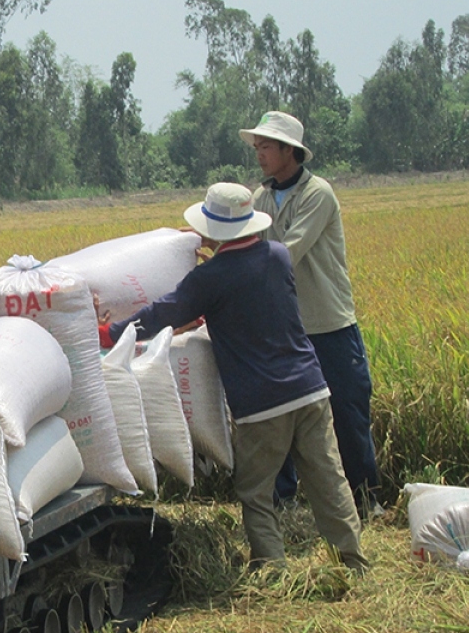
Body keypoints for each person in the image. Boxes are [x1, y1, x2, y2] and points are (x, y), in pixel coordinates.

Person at [98, 183, 367, 571]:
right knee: (328, 479)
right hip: (311, 389)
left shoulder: (211, 277)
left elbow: (164, 312)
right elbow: (248, 297)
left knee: (256, 490)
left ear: (215, 231)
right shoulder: (277, 256)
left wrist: (110, 333)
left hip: (263, 404)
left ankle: (272, 570)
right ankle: (352, 559)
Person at [240, 111, 381, 516]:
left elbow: (287, 252)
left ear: (290, 151)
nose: (260, 155)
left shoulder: (318, 193)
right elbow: (245, 242)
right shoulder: (262, 197)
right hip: (285, 327)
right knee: (280, 413)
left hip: (329, 325)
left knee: (347, 413)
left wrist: (228, 267)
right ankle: (285, 502)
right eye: (258, 147)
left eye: (266, 147)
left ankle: (365, 497)